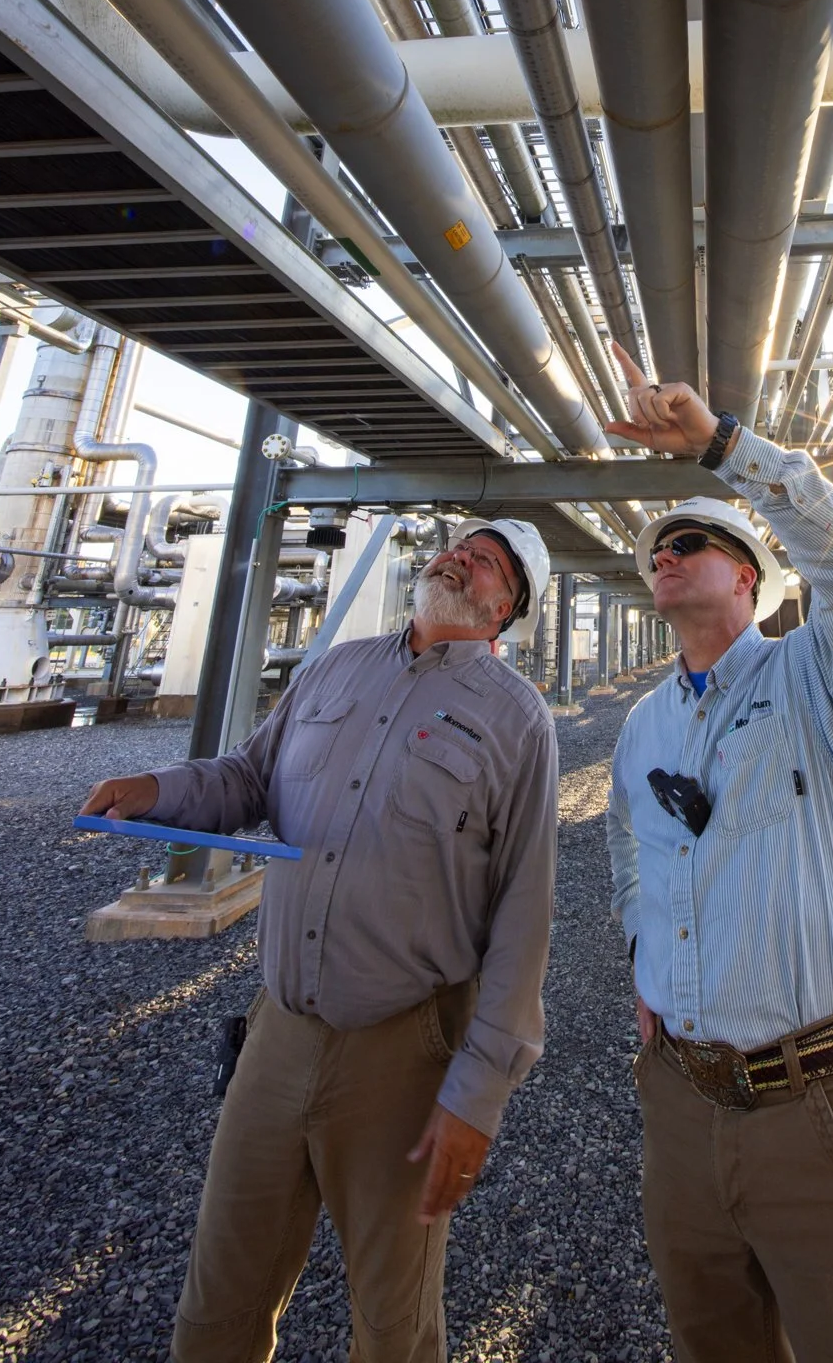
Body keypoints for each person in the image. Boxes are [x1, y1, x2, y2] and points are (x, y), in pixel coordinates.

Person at [81, 517, 558, 1363]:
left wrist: (479, 1093)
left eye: (485, 560)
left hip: (404, 1051)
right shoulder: (334, 668)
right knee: (220, 1291)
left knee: (391, 1318)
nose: (458, 556)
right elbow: (247, 778)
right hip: (279, 1032)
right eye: (459, 545)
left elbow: (526, 908)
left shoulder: (518, 719)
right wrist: (155, 788)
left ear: (505, 608)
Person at [605, 344, 833, 1363]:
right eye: (655, 552)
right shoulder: (642, 726)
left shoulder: (817, 679)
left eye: (687, 542)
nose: (663, 555)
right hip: (678, 1099)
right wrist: (642, 954)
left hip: (817, 1103)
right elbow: (629, 844)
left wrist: (720, 446)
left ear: (748, 577)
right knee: (711, 1339)